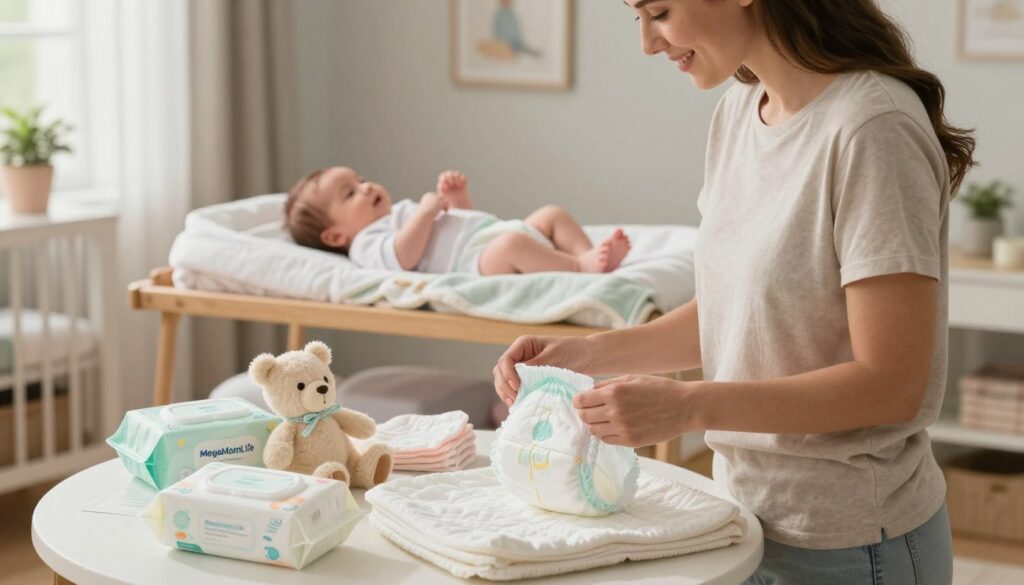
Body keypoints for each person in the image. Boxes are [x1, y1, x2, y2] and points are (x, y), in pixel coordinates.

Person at [492, 1, 976, 583]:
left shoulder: (873, 129)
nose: (648, 43)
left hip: (854, 545)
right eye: (636, 17)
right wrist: (585, 355)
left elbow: (892, 386)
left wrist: (688, 406)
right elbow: (735, 314)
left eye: (660, 11)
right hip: (741, 521)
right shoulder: (740, 110)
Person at [285, 166, 631, 275]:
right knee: (513, 245)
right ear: (335, 236)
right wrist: (425, 213)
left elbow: (462, 223)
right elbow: (403, 257)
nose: (366, 188)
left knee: (551, 214)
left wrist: (457, 200)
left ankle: (588, 254)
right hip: (476, 262)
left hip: (490, 234)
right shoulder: (366, 243)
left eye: (361, 180)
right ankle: (578, 267)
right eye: (350, 193)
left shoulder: (397, 213)